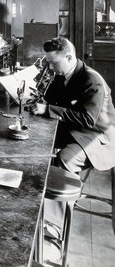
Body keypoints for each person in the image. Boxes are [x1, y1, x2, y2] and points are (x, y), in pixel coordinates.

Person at [31, 37, 115, 232]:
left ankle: (52, 224)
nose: (50, 67)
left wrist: (47, 110)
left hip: (99, 137)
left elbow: (88, 119)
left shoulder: (92, 80)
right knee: (40, 141)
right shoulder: (64, 73)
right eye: (48, 62)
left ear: (69, 57)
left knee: (64, 159)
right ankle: (43, 201)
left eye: (53, 62)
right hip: (78, 130)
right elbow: (51, 100)